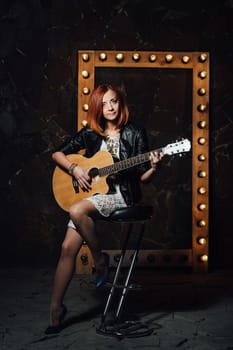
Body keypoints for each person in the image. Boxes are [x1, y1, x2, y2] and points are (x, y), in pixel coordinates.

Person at [45, 83, 162, 334]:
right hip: (92, 196)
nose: (110, 107)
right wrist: (75, 169)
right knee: (67, 248)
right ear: (97, 107)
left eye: (114, 102)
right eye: (104, 103)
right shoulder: (90, 134)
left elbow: (143, 177)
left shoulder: (135, 133)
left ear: (121, 103)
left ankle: (100, 260)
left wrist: (153, 166)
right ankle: (55, 310)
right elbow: (57, 154)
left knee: (77, 211)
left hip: (120, 195)